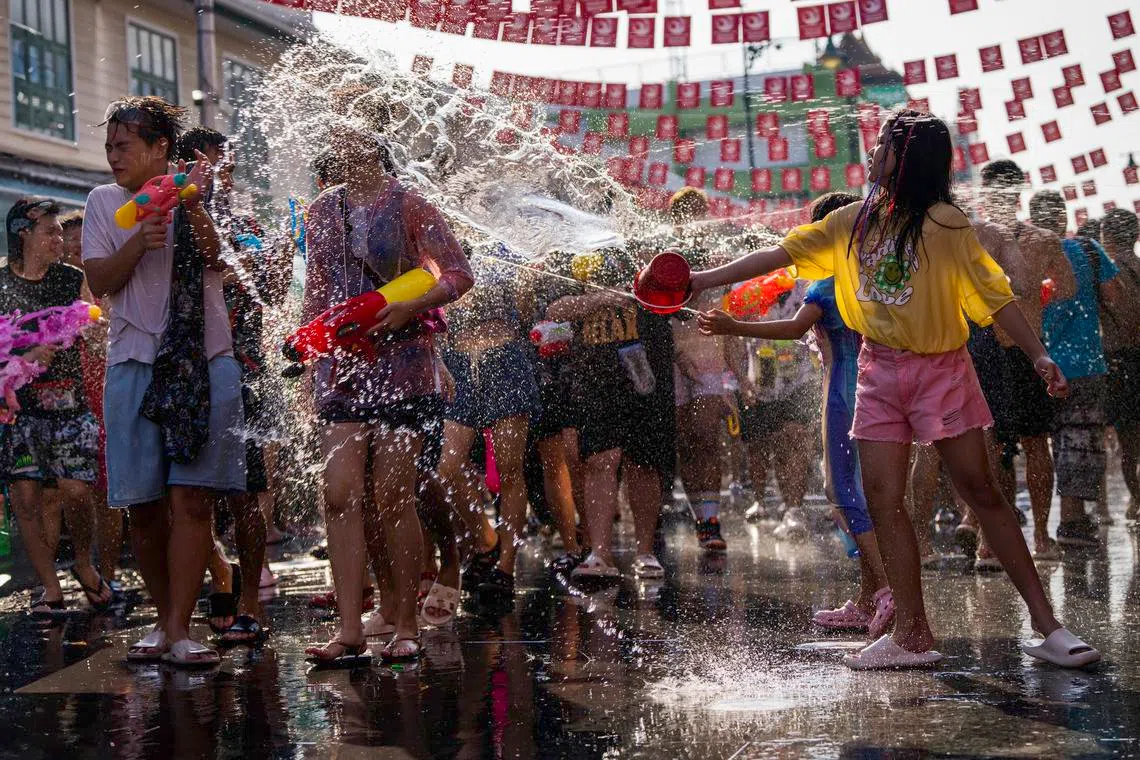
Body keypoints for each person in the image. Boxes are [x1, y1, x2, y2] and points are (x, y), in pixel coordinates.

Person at [690, 110, 1099, 670]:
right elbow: (779, 256)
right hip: (877, 373)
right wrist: (702, 280)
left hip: (941, 370)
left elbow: (996, 294)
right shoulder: (853, 222)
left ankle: (1048, 625)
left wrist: (1039, 354)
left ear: (905, 158)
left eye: (883, 143)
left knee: (981, 491)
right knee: (884, 502)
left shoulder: (948, 224)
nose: (873, 149)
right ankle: (912, 633)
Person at [300, 126, 472, 665]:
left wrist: (410, 307)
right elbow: (317, 290)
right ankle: (349, 629)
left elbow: (460, 274)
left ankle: (404, 624)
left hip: (405, 365)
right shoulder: (321, 211)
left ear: (376, 144)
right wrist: (311, 359)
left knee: (394, 497)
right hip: (343, 368)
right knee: (339, 495)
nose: (342, 142)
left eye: (353, 132)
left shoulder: (411, 203)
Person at [83, 96, 243, 667]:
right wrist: (137, 242)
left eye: (123, 146)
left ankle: (180, 627)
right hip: (132, 361)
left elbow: (223, 261)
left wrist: (193, 206)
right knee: (144, 506)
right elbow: (99, 280)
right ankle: (162, 620)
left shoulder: (204, 188)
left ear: (159, 149)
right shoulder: (103, 201)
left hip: (204, 358)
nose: (112, 157)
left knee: (193, 496)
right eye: (108, 147)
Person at [700, 192, 894, 638]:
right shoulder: (871, 277)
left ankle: (884, 591)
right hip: (876, 389)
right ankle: (867, 599)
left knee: (841, 491)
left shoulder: (826, 283)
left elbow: (792, 328)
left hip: (843, 393)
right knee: (865, 492)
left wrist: (734, 327)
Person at [174, 126, 273, 643]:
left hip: (243, 366)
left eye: (222, 164)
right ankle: (220, 572)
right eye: (208, 162)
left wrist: (253, 267)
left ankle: (251, 597)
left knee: (245, 493)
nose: (218, 173)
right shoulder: (167, 214)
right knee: (186, 492)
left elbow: (264, 287)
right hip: (184, 369)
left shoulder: (243, 222)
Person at [1, 198, 111, 616]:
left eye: (59, 231)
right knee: (26, 499)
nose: (59, 238)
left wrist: (102, 330)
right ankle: (51, 587)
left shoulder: (71, 279)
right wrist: (24, 356)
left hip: (68, 404)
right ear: (22, 235)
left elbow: (97, 333)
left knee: (77, 491)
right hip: (18, 412)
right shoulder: (0, 284)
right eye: (49, 231)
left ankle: (82, 561)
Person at [963, 160, 1076, 563]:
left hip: (1017, 351)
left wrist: (1032, 299)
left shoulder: (1031, 239)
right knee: (1002, 445)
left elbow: (1067, 287)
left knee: (1019, 444)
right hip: (994, 350)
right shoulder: (976, 235)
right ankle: (1004, 537)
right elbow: (1065, 289)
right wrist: (1032, 300)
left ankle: (1027, 536)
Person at [549, 247, 674, 582]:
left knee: (643, 462)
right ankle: (599, 553)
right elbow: (554, 309)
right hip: (594, 377)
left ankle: (645, 552)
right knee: (599, 460)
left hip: (646, 373)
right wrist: (600, 299)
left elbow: (682, 298)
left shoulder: (649, 244)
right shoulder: (572, 250)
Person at [436, 239, 541, 609]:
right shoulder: (440, 243)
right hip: (459, 363)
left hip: (505, 359)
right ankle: (485, 539)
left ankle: (506, 569)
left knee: (511, 470)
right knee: (446, 466)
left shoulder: (505, 243)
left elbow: (526, 305)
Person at [1029, 191, 1119, 548]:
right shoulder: (1088, 251)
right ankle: (1072, 517)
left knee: (1038, 444)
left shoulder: (1024, 254)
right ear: (1063, 219)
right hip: (1083, 363)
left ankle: (1045, 530)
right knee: (1079, 439)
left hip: (1036, 362)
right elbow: (1113, 295)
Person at [61, 210, 124, 584]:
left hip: (102, 386)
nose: (72, 246)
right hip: (65, 393)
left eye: (80, 240)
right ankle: (85, 565)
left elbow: (109, 338)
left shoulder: (109, 280)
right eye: (67, 239)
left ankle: (108, 571)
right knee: (69, 487)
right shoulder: (53, 285)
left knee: (106, 488)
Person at [1099, 208, 1140, 521]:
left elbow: (1123, 319)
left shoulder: (1108, 272)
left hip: (1122, 360)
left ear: (1106, 238)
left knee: (1128, 442)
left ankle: (1137, 501)